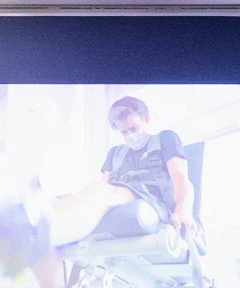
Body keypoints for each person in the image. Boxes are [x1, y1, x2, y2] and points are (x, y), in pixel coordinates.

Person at [48, 94, 196, 253]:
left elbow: (180, 177)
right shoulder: (115, 153)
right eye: (124, 132)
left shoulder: (166, 138)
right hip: (116, 194)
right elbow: (103, 184)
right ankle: (44, 222)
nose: (130, 135)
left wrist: (183, 208)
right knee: (93, 190)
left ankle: (50, 234)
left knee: (102, 192)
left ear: (147, 118)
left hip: (153, 201)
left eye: (133, 128)